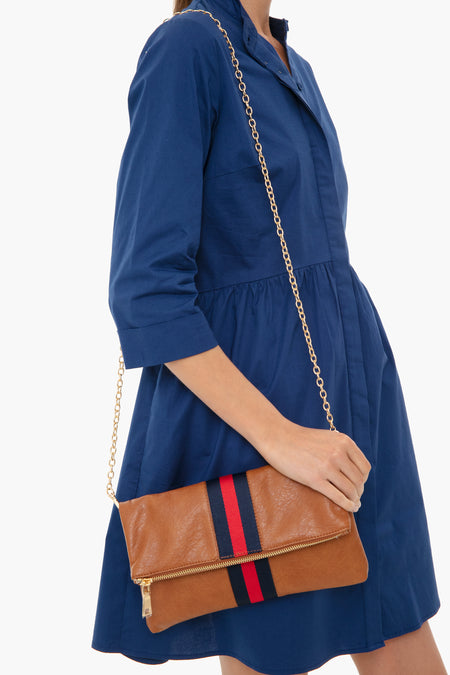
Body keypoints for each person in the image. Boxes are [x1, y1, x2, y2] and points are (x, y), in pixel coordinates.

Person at [91, 0, 447, 673]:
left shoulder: (293, 63)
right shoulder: (189, 49)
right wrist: (282, 439)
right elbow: (145, 289)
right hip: (260, 428)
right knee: (271, 653)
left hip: (358, 409)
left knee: (398, 628)